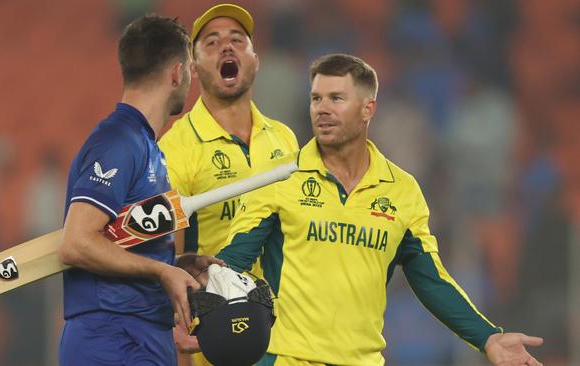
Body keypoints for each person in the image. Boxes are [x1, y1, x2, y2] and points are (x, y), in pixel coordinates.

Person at [216, 53, 544, 366]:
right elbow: (230, 265)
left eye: (336, 98)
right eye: (316, 98)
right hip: (285, 358)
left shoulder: (401, 190)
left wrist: (487, 337)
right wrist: (202, 311)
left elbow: (430, 280)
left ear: (368, 109)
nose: (322, 109)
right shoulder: (279, 179)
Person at [57, 14, 222, 366]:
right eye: (190, 70)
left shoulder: (146, 146)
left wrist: (173, 264)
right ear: (177, 73)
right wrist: (162, 272)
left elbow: (113, 239)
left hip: (141, 333)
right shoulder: (118, 142)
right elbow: (76, 242)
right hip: (113, 338)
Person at [158, 4, 298, 364]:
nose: (227, 47)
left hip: (289, 340)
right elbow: (164, 263)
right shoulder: (174, 149)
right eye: (212, 42)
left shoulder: (285, 141)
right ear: (193, 67)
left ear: (255, 59)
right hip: (216, 342)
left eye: (238, 40)